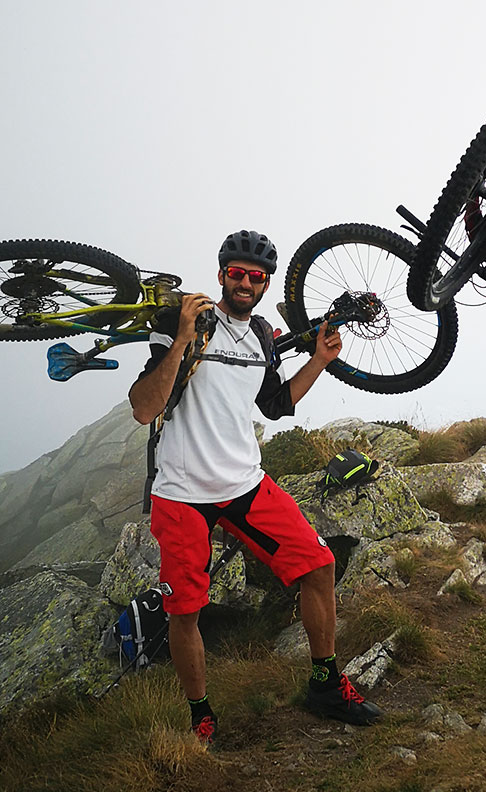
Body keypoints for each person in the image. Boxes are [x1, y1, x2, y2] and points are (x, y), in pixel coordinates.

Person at [128, 229, 383, 746]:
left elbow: (276, 404)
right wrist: (180, 340)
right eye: (236, 273)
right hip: (181, 493)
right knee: (186, 610)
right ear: (222, 274)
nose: (245, 282)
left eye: (256, 276)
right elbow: (144, 407)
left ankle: (325, 685)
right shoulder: (191, 323)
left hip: (245, 482)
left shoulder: (263, 335)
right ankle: (201, 715)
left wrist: (320, 361)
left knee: (319, 567)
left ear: (266, 283)